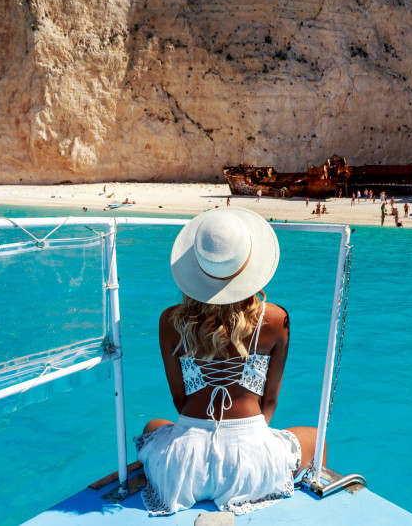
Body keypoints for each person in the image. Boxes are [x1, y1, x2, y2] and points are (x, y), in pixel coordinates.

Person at [135, 207, 319, 516]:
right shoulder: (275, 319)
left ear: (195, 269)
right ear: (250, 266)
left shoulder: (170, 321)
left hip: (182, 469)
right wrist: (244, 442)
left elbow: (180, 400)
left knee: (153, 426)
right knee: (317, 439)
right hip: (250, 466)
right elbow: (270, 399)